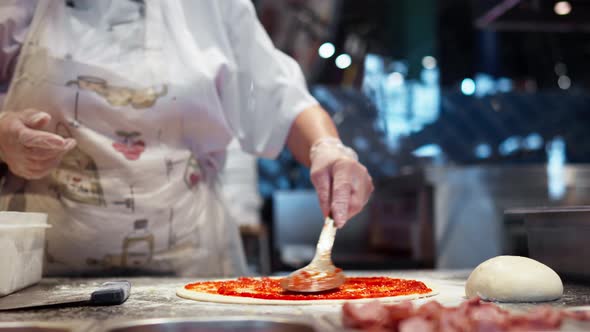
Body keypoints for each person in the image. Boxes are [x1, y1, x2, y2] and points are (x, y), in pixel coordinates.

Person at [0, 0, 373, 277]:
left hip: (190, 273)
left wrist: (329, 151)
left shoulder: (212, 7)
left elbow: (284, 103)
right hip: (36, 277)